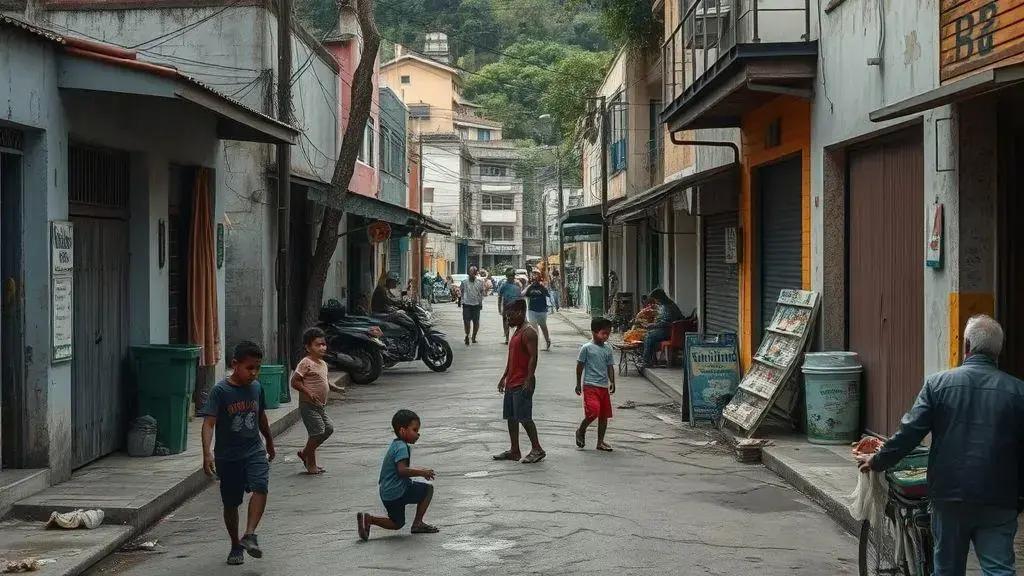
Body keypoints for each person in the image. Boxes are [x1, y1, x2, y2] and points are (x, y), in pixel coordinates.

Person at [857, 315, 1024, 576]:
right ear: (998, 351)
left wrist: (878, 460)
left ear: (966, 345)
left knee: (946, 569)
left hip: (949, 494)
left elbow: (910, 433)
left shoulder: (938, 384)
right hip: (999, 498)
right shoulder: (1018, 392)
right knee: (999, 570)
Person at [200, 341, 276, 566]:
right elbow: (208, 423)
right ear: (235, 364)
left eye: (257, 368)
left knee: (261, 486)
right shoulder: (220, 391)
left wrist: (269, 441)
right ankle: (235, 544)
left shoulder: (256, 387)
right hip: (228, 456)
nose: (254, 373)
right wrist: (207, 454)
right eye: (249, 368)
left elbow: (260, 416)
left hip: (254, 450)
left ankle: (250, 534)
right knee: (231, 504)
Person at [357, 409, 438, 540]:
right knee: (428, 489)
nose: (418, 434)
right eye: (414, 430)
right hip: (398, 491)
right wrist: (422, 472)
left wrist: (419, 471)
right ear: (402, 430)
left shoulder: (396, 445)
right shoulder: (402, 447)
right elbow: (402, 471)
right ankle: (418, 524)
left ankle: (369, 519)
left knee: (397, 523)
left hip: (387, 493)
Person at [493, 299, 546, 464]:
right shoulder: (516, 331)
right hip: (511, 381)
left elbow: (533, 357)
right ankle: (514, 450)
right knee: (511, 417)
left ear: (521, 312)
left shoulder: (528, 332)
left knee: (524, 417)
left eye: (510, 316)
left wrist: (529, 378)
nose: (508, 320)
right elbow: (511, 359)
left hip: (522, 382)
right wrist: (504, 377)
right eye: (507, 317)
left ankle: (537, 448)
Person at [291, 327, 343, 475]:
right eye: (317, 345)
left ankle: (307, 456)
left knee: (328, 429)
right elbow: (294, 382)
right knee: (317, 432)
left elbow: (324, 380)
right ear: (308, 347)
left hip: (320, 406)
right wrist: (308, 392)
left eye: (323, 344)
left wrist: (335, 387)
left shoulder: (323, 363)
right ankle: (306, 455)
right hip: (308, 405)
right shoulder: (305, 362)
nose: (322, 347)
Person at [575, 316, 616, 452]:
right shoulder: (586, 348)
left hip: (603, 387)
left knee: (604, 416)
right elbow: (580, 366)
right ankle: (581, 429)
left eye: (608, 334)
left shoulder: (608, 349)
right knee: (593, 412)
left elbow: (610, 366)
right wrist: (578, 383)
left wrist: (612, 381)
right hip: (590, 386)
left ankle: (600, 442)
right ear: (594, 332)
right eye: (603, 333)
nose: (606, 336)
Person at [641, 288, 684, 366]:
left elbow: (666, 322)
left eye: (655, 299)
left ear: (659, 298)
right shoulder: (668, 305)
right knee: (649, 334)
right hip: (669, 329)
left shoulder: (668, 307)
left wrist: (652, 325)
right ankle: (652, 360)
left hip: (669, 331)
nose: (655, 302)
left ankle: (646, 361)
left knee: (649, 336)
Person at [522, 270, 552, 351]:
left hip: (542, 310)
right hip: (532, 310)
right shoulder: (530, 287)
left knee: (543, 326)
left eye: (536, 275)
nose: (534, 277)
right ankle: (535, 344)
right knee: (534, 328)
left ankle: (547, 340)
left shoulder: (542, 287)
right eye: (533, 275)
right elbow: (522, 294)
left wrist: (543, 286)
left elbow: (549, 295)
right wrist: (529, 286)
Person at [460, 266, 485, 345]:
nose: (472, 274)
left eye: (474, 273)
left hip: (476, 305)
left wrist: (480, 303)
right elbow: (461, 291)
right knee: (466, 322)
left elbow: (481, 294)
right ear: (468, 273)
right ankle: (467, 335)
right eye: (470, 273)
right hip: (467, 304)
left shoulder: (480, 283)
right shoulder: (464, 282)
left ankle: (474, 336)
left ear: (476, 274)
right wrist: (462, 301)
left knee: (476, 322)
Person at [497, 268, 522, 345]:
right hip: (506, 306)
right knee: (506, 322)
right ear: (507, 276)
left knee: (517, 322)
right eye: (510, 276)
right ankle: (507, 338)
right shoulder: (503, 285)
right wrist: (499, 308)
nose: (511, 277)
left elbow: (520, 295)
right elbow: (500, 297)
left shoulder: (518, 284)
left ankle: (516, 338)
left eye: (512, 275)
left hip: (515, 306)